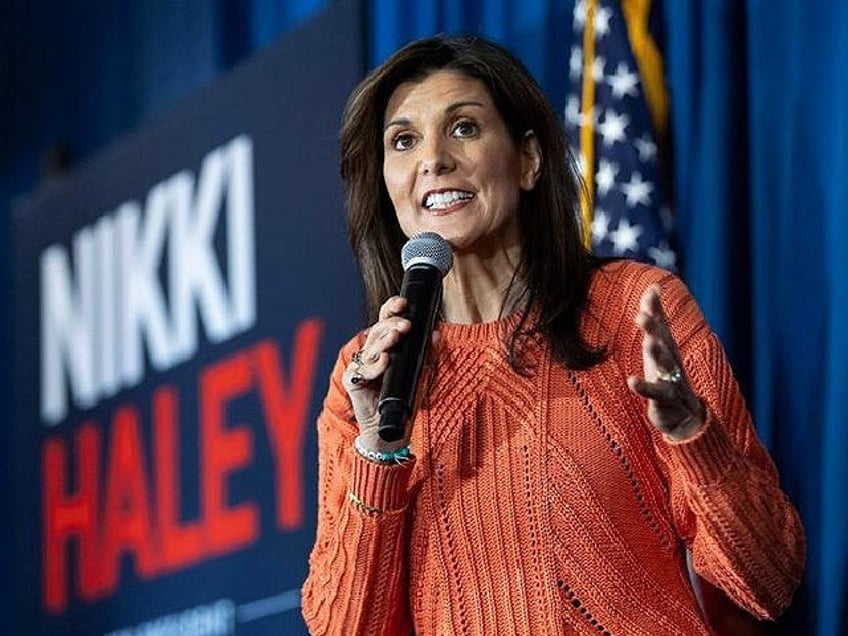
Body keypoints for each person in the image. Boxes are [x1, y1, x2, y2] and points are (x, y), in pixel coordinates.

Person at [301, 35, 805, 635]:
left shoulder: (630, 310)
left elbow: (769, 580)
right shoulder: (365, 374)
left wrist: (695, 436)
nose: (432, 159)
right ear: (386, 183)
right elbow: (340, 626)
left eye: (463, 128)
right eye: (403, 140)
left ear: (530, 159)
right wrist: (378, 450)